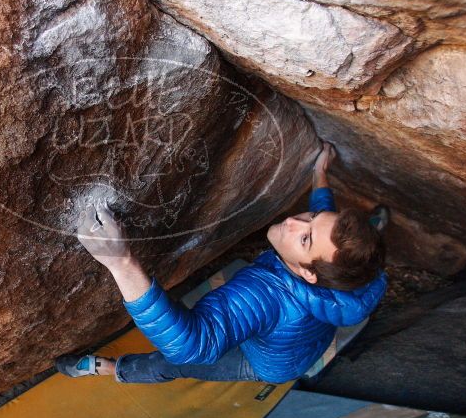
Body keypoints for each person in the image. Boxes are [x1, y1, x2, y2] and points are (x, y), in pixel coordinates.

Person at [56, 142, 387, 384]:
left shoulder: (265, 295)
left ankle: (109, 369)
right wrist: (320, 174)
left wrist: (121, 263)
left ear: (306, 272)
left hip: (268, 365)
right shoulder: (356, 274)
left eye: (305, 239)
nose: (293, 222)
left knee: (171, 365)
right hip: (304, 342)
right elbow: (325, 227)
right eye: (310, 217)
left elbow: (191, 347)